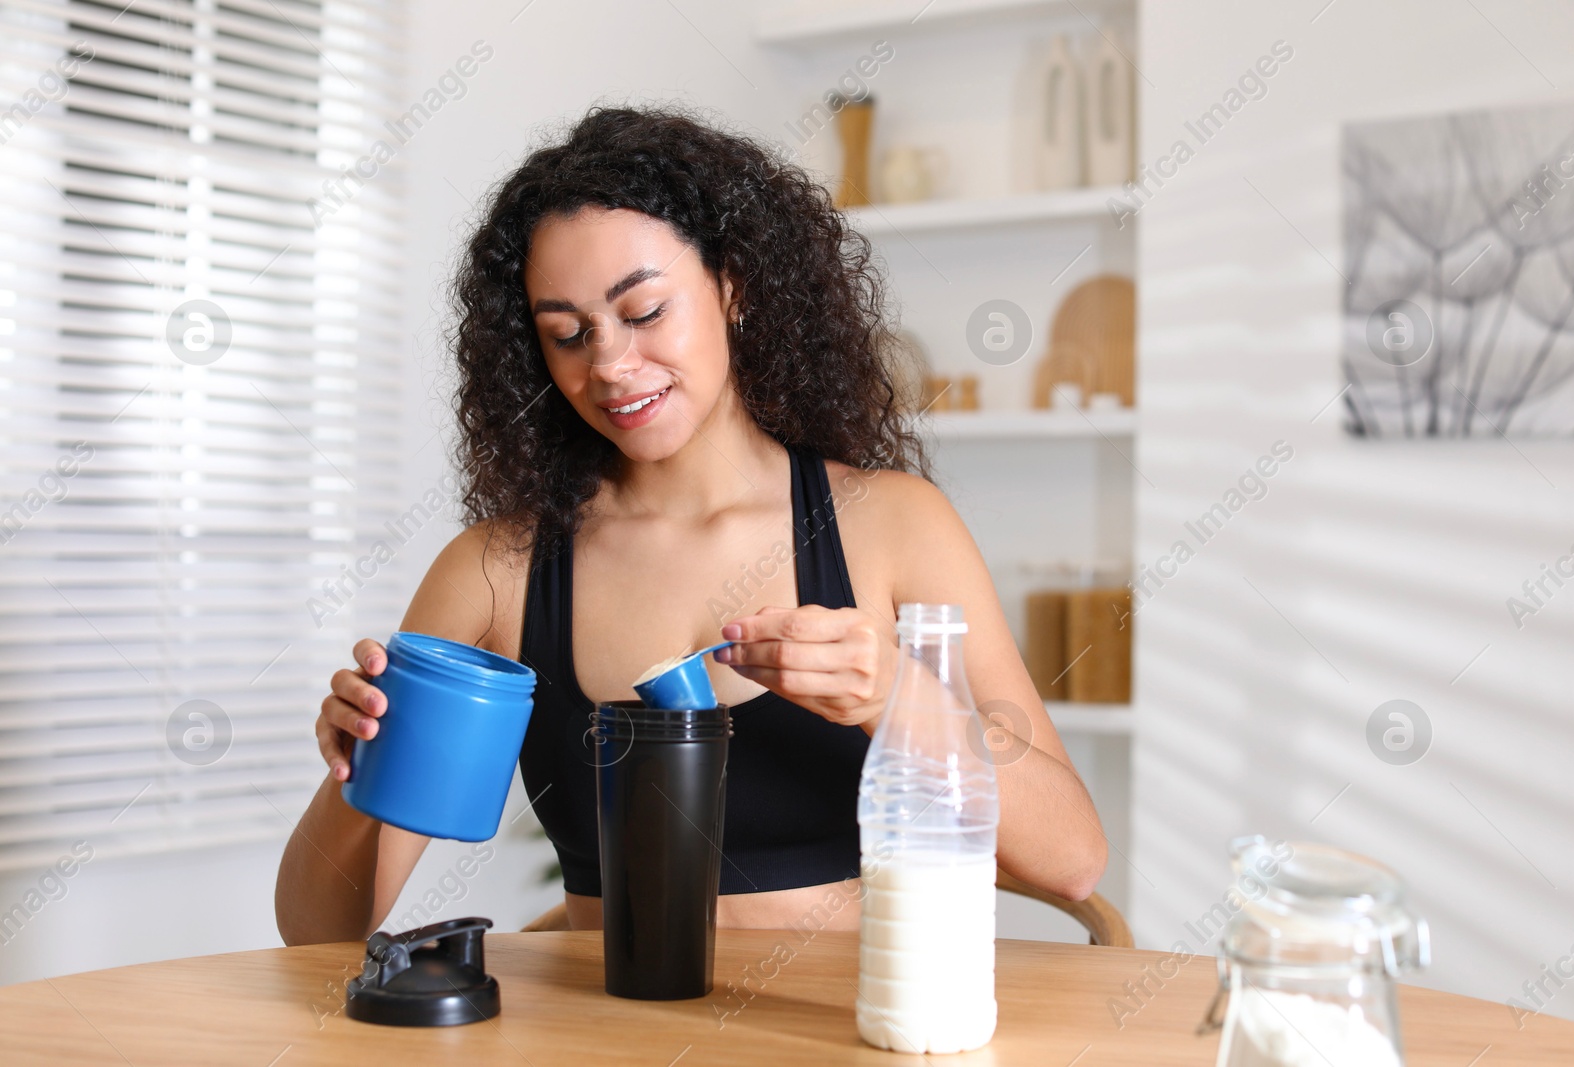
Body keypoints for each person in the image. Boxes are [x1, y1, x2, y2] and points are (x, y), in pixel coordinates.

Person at [274, 104, 1106, 945]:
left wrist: (897, 693)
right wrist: (354, 769)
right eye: (567, 335)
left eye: (643, 314)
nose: (609, 365)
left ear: (732, 284)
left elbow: (1072, 857)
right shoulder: (497, 570)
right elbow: (317, 937)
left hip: (839, 1034)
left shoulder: (890, 526)